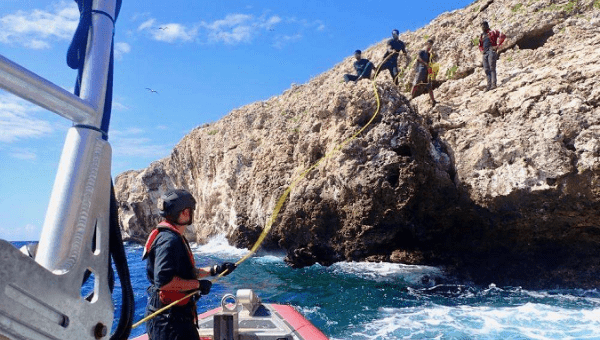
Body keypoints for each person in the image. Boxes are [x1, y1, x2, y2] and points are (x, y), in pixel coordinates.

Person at [143, 189, 237, 340]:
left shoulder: (173, 236)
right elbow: (164, 282)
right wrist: (198, 285)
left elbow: (186, 272)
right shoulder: (169, 240)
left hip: (173, 317)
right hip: (169, 323)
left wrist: (216, 269)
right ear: (186, 212)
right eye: (191, 211)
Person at [478, 20, 506, 91]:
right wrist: (482, 51)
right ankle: (488, 85)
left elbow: (502, 35)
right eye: (482, 25)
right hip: (485, 53)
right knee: (486, 69)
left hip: (491, 51)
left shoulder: (493, 32)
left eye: (484, 25)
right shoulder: (482, 35)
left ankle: (493, 84)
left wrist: (498, 45)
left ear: (487, 25)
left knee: (492, 67)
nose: (482, 27)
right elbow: (480, 45)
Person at [411, 39, 437, 106]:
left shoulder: (429, 55)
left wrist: (430, 72)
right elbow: (418, 58)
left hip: (426, 72)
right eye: (429, 44)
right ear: (426, 44)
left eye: (431, 44)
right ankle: (410, 98)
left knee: (429, 85)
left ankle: (433, 101)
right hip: (420, 70)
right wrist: (425, 64)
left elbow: (430, 64)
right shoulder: (421, 52)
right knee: (416, 84)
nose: (430, 46)